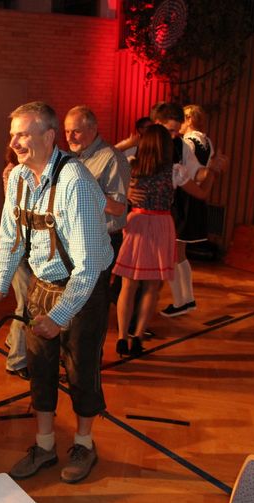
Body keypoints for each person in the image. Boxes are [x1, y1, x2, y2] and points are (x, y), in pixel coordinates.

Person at [0, 102, 112, 484]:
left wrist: (59, 316)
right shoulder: (19, 178)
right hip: (41, 284)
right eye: (13, 135)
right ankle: (45, 445)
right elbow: (10, 239)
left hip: (83, 289)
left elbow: (88, 267)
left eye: (22, 134)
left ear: (49, 136)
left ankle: (84, 445)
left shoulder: (75, 182)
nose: (14, 143)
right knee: (39, 369)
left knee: (81, 369)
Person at [113, 125, 189, 357]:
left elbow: (108, 156)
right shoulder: (175, 171)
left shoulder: (130, 166)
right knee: (151, 287)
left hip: (136, 222)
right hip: (162, 224)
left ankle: (121, 338)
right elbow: (199, 186)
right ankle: (137, 337)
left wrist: (128, 143)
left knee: (128, 286)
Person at [148, 102, 221, 318]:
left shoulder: (184, 144)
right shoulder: (144, 145)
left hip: (179, 203)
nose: (174, 135)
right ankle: (184, 300)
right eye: (170, 130)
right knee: (173, 255)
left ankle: (182, 301)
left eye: (176, 130)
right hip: (161, 209)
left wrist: (211, 170)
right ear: (157, 123)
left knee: (173, 255)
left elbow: (196, 173)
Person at [64, 105, 129, 303]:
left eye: (76, 131)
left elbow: (118, 209)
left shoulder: (111, 158)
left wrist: (86, 191)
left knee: (93, 301)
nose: (70, 137)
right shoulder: (72, 157)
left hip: (102, 239)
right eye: (66, 131)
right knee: (74, 300)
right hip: (75, 238)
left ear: (92, 129)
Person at [0, 146, 30, 380]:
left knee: (26, 300)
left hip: (30, 246)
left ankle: (13, 340)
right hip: (19, 245)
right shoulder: (14, 171)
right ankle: (17, 361)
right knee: (25, 304)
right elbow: (17, 211)